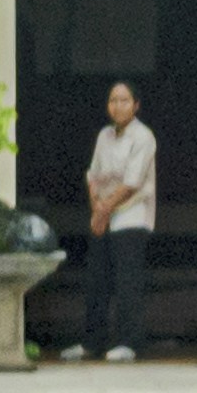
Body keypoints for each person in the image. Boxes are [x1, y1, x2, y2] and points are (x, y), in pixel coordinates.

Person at [82, 80, 159, 361]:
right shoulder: (104, 135)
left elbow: (132, 182)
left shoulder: (143, 136)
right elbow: (93, 175)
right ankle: (92, 342)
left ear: (136, 105)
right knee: (96, 280)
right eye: (113, 100)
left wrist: (103, 210)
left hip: (131, 215)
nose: (118, 105)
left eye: (125, 100)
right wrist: (97, 210)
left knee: (128, 282)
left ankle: (130, 342)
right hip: (103, 214)